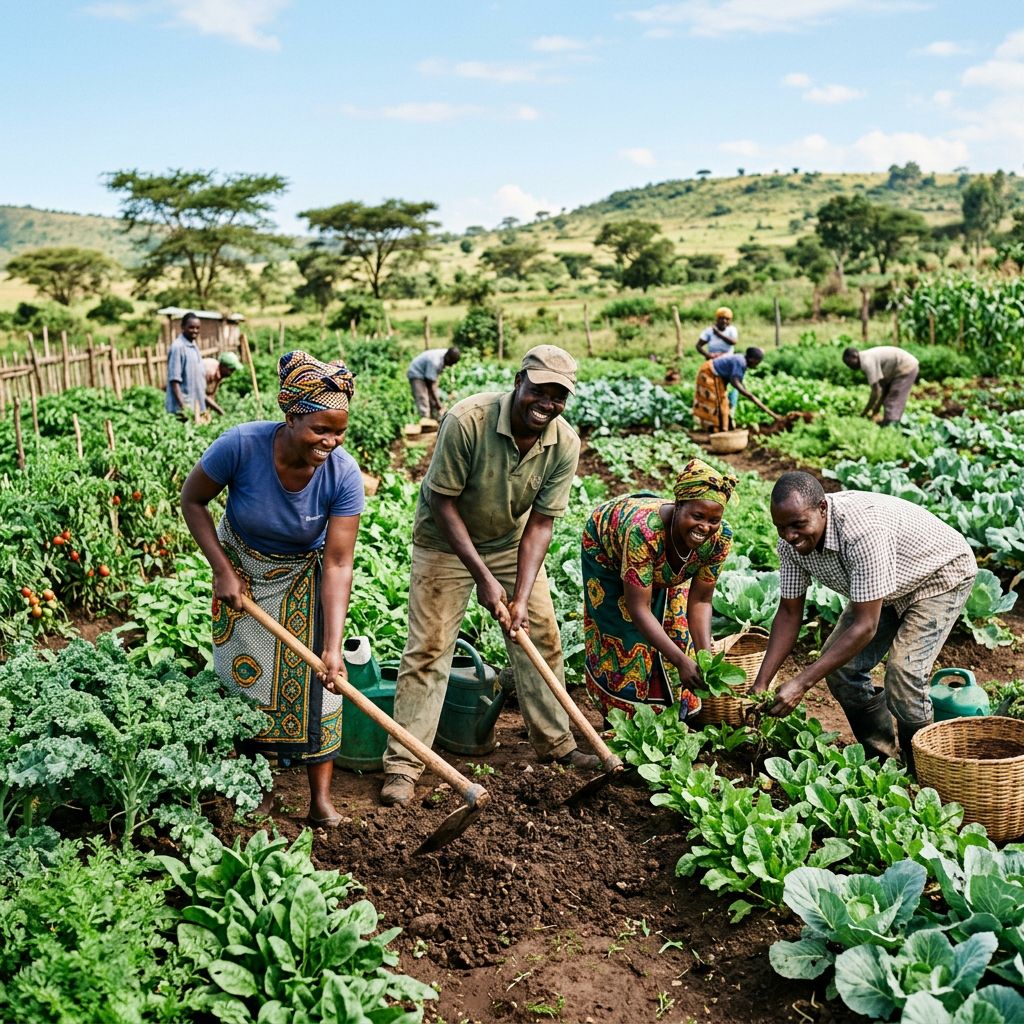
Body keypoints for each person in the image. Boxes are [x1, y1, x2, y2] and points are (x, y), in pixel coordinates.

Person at [380, 344, 601, 806]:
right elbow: (442, 502)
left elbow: (541, 523)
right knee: (430, 648)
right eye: (539, 389)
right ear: (519, 381)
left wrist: (519, 594)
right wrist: (482, 577)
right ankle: (404, 764)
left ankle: (556, 743)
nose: (547, 402)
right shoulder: (468, 420)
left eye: (559, 395)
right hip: (445, 542)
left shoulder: (564, 443)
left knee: (541, 634)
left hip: (507, 542)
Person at [181, 350, 364, 826]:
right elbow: (193, 500)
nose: (330, 441)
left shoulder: (342, 474)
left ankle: (320, 802)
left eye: (339, 431)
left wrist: (331, 648)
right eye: (319, 429)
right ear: (290, 416)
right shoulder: (240, 445)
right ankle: (256, 791)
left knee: (323, 687)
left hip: (306, 575)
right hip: (240, 569)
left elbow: (340, 562)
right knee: (247, 681)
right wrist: (222, 570)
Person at [750, 472, 977, 773]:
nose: (790, 536)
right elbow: (790, 613)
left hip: (939, 575)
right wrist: (761, 683)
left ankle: (920, 770)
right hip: (888, 585)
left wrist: (801, 683)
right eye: (781, 528)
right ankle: (882, 761)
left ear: (822, 508)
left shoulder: (861, 531)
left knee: (905, 673)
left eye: (798, 525)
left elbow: (865, 626)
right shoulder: (792, 546)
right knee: (843, 669)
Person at [582, 458, 735, 722]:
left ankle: (676, 715)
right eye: (697, 516)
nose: (705, 527)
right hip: (607, 553)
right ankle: (620, 719)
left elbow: (700, 601)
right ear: (677, 507)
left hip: (666, 566)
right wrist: (681, 662)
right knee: (624, 635)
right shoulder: (645, 532)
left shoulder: (719, 539)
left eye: (714, 519)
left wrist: (703, 658)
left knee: (676, 629)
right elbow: (638, 607)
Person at [692, 346, 780, 432]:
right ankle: (716, 429)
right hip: (709, 373)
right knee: (716, 402)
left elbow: (739, 381)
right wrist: (748, 395)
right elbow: (735, 382)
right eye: (758, 362)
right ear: (752, 359)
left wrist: (747, 392)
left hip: (715, 375)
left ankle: (722, 428)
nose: (758, 364)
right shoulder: (740, 362)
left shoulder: (742, 361)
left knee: (722, 402)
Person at [842, 346, 920, 426]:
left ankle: (891, 427)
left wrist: (864, 413)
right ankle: (889, 424)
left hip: (906, 366)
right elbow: (884, 390)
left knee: (893, 400)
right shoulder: (866, 357)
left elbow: (875, 393)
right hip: (900, 368)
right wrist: (876, 409)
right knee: (889, 395)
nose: (849, 367)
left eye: (849, 363)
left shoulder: (867, 362)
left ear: (854, 356)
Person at [696, 307, 740, 422]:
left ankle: (731, 410)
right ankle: (714, 415)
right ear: (717, 319)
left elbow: (733, 342)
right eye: (721, 318)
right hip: (714, 364)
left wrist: (718, 334)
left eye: (727, 319)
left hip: (729, 363)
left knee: (733, 386)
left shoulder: (731, 330)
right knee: (714, 388)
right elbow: (698, 346)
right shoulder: (709, 331)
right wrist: (708, 355)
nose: (724, 321)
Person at [165, 312, 207, 418]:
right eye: (191, 327)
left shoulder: (194, 346)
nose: (195, 331)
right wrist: (184, 408)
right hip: (182, 410)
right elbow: (174, 381)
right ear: (183, 327)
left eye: (197, 328)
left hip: (195, 408)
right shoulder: (178, 347)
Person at [407, 345, 461, 420]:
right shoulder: (435, 362)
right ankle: (425, 420)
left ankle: (433, 419)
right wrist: (438, 404)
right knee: (422, 396)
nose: (451, 366)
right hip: (416, 373)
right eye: (451, 363)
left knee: (433, 397)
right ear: (448, 358)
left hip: (427, 372)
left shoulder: (447, 355)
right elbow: (431, 386)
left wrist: (436, 400)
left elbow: (433, 382)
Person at [203, 351, 244, 416]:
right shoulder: (210, 372)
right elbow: (201, 395)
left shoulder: (219, 372)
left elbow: (211, 394)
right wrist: (220, 411)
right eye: (231, 369)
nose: (232, 373)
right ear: (224, 366)